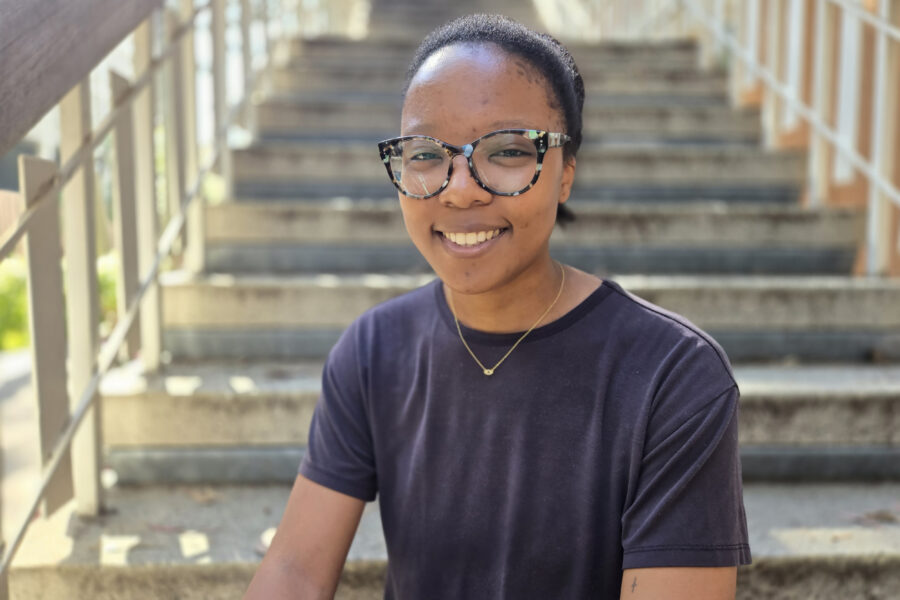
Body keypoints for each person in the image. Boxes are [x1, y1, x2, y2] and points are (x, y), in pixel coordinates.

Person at [244, 13, 751, 600]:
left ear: (566, 176)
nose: (460, 189)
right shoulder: (374, 349)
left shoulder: (673, 374)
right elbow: (295, 572)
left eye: (508, 151)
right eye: (427, 154)